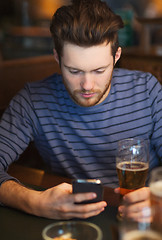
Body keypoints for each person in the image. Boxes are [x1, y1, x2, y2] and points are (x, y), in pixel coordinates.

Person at [0, 0, 161, 220]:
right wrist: (34, 202)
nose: (87, 85)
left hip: (147, 219)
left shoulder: (147, 90)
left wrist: (157, 198)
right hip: (73, 220)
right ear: (57, 57)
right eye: (74, 71)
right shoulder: (32, 101)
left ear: (116, 56)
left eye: (99, 70)